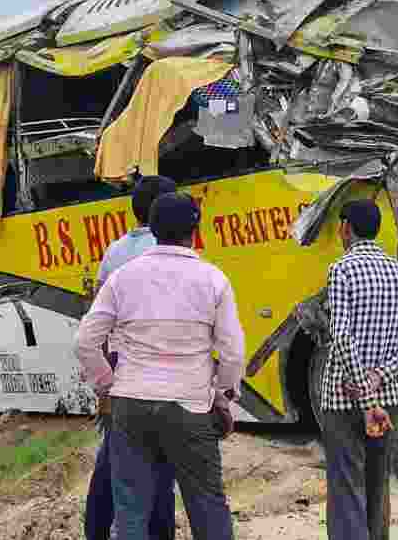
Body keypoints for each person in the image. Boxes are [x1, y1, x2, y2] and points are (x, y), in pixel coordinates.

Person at [75, 192, 244, 540]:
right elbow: (232, 353)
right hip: (190, 407)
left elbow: (85, 342)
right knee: (208, 506)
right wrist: (222, 398)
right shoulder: (213, 280)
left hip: (130, 406)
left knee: (132, 512)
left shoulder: (123, 277)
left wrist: (108, 383)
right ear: (195, 231)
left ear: (151, 229)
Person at [319, 200, 398, 540]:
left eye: (340, 226)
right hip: (390, 397)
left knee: (346, 486)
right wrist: (380, 376)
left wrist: (364, 396)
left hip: (343, 398)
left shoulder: (342, 270)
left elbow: (340, 337)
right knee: (378, 485)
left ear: (347, 228)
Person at [83, 176, 179, 540]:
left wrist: (105, 385)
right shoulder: (169, 250)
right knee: (160, 469)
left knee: (115, 463)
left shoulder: (115, 251)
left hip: (121, 373)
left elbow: (99, 324)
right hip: (162, 376)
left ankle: (96, 529)